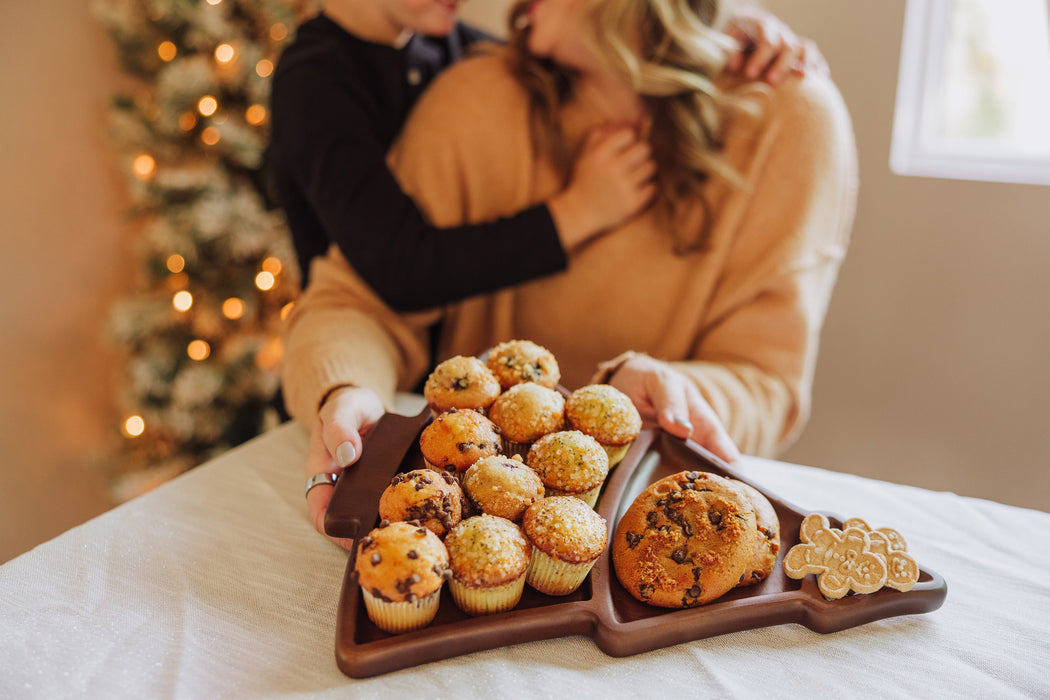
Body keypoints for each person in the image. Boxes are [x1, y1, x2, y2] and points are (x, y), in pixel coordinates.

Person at [282, 0, 857, 548]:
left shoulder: (791, 119)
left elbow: (765, 381)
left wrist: (669, 397)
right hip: (462, 528)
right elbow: (354, 302)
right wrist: (346, 388)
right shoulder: (475, 94)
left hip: (661, 528)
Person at [270, 0, 829, 309]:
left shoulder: (449, 45)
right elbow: (400, 269)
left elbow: (591, 35)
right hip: (360, 391)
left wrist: (731, 27)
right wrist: (577, 213)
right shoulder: (312, 80)